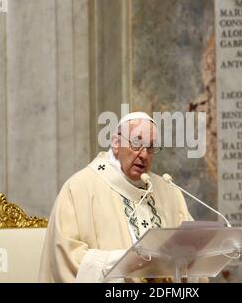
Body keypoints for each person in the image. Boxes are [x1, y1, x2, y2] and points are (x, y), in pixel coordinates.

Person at [38, 112, 194, 282]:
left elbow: (194, 250)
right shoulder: (78, 189)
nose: (144, 155)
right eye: (136, 143)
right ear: (116, 143)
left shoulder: (168, 191)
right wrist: (130, 262)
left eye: (150, 147)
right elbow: (67, 258)